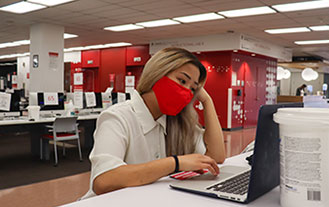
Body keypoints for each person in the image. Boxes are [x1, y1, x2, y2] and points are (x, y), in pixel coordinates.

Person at [81, 47, 226, 199]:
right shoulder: (117, 117)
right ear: (157, 74)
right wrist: (175, 163)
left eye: (192, 89)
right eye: (182, 81)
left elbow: (216, 157)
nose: (186, 92)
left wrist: (207, 101)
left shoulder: (177, 122)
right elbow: (103, 181)